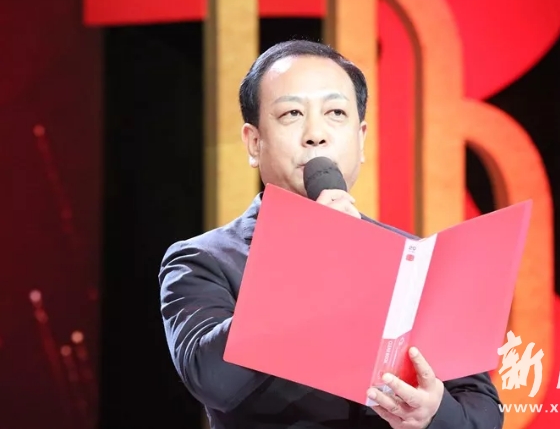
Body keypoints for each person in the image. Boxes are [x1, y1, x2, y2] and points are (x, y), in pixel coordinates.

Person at [159, 39, 504, 429]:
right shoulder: (204, 260)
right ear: (254, 143)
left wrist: (433, 414)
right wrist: (310, 259)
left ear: (361, 139)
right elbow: (212, 380)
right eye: (291, 113)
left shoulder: (415, 261)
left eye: (335, 113)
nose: (315, 134)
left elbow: (483, 411)